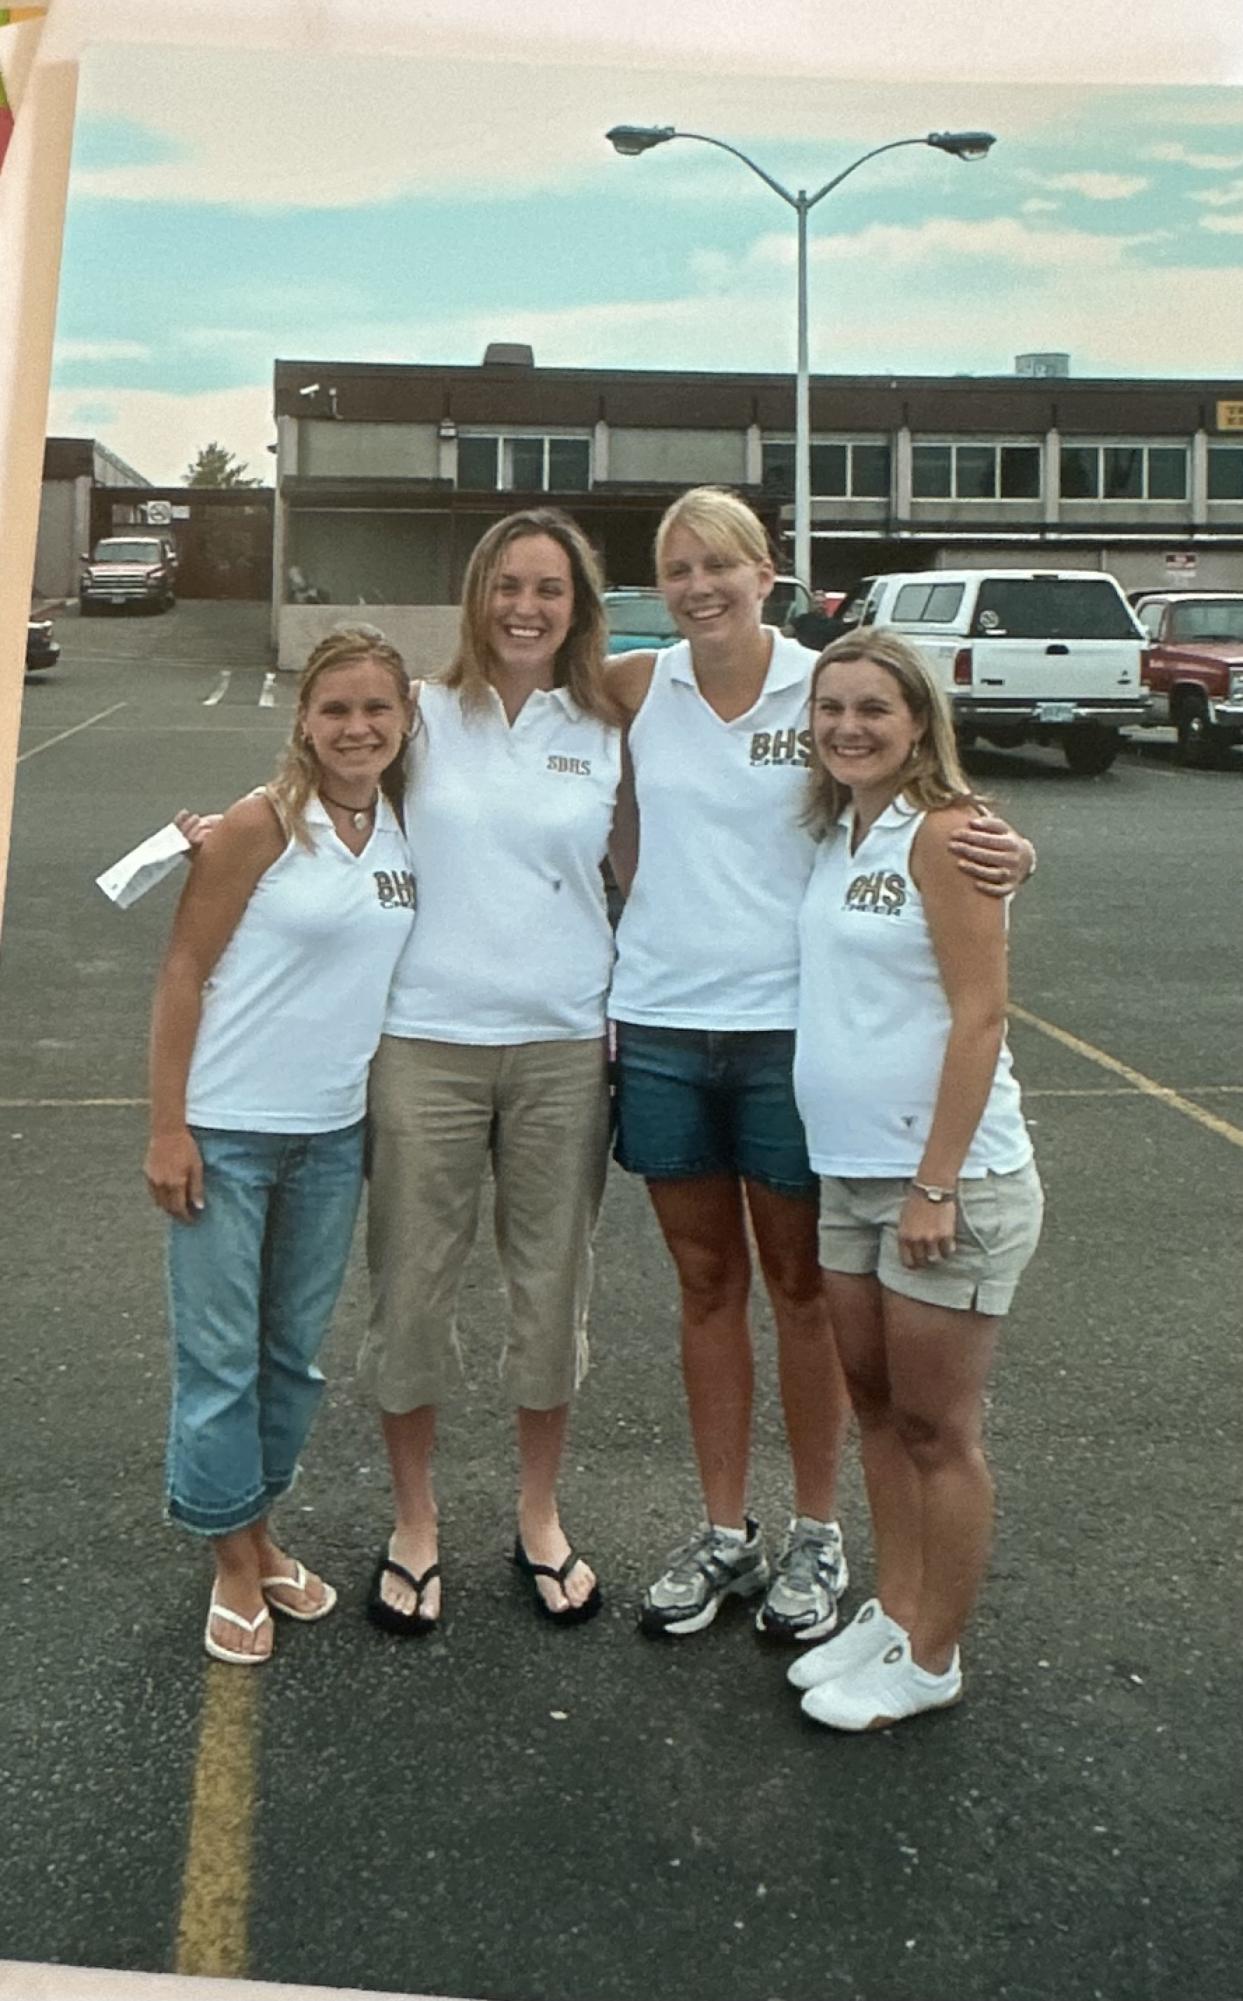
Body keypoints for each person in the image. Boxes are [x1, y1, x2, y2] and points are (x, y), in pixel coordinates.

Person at [604, 487, 1034, 1645]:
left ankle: (815, 1533)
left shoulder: (825, 682)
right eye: (677, 568)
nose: (699, 587)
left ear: (766, 572)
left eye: (720, 566)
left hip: (792, 1037)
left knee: (802, 1293)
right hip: (656, 1026)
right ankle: (724, 1530)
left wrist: (1008, 846)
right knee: (704, 1289)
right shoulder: (640, 686)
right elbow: (485, 729)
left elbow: (925, 796)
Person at [358, 508, 621, 1635]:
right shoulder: (418, 715)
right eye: (507, 585)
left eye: (549, 589)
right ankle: (414, 1522)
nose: (525, 607)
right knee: (411, 1289)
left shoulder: (613, 719)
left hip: (565, 1042)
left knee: (549, 1290)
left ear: (578, 605)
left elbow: (689, 853)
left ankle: (538, 1515)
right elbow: (315, 802)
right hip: (425, 1041)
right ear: (477, 594)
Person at [787, 628, 1043, 1729]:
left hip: (944, 1182)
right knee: (879, 1409)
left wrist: (935, 1183)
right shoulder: (840, 831)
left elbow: (981, 1016)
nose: (848, 726)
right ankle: (893, 1612)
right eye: (831, 708)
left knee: (942, 1430)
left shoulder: (946, 835)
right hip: (847, 1171)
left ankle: (932, 1656)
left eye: (872, 710)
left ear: (918, 723)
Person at [146, 631, 417, 1664]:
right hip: (228, 1133)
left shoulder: (398, 829)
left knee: (289, 1360)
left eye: (376, 711)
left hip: (332, 1136)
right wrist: (169, 1127)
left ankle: (259, 1532)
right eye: (336, 709)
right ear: (303, 718)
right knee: (219, 1361)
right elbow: (181, 972)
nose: (357, 728)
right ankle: (232, 1557)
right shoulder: (260, 826)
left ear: (401, 722)